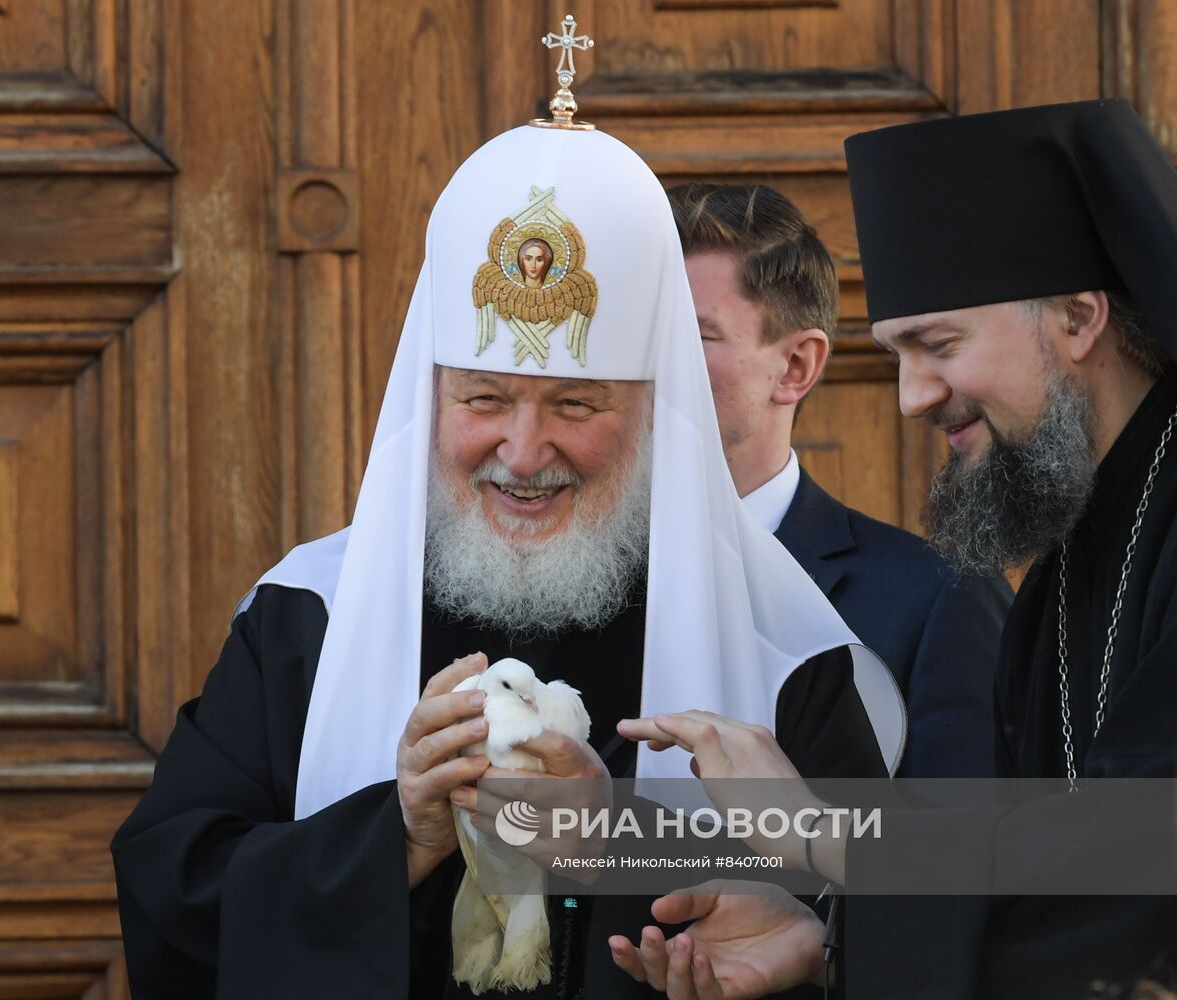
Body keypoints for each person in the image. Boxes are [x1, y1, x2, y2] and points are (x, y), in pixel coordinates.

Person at [110, 114, 906, 997]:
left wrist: (618, 842)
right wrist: (397, 838)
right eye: (484, 397)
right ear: (433, 394)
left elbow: (892, 931)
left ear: (653, 413)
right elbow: (171, 892)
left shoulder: (789, 654)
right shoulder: (310, 616)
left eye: (575, 406)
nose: (523, 454)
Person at [613, 99, 1177, 999]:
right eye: (896, 353)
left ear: (1076, 317)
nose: (911, 396)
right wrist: (825, 940)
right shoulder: (1069, 562)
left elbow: (1145, 847)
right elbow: (1048, 913)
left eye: (937, 345)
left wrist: (813, 832)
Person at [668, 182, 1013, 779]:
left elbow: (976, 859)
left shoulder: (936, 602)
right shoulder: (558, 582)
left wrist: (803, 866)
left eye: (690, 336)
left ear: (795, 367)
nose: (648, 365)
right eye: (640, 337)